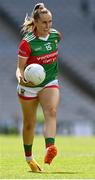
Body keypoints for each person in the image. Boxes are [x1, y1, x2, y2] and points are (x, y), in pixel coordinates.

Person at [16, 3, 61, 172]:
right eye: (44, 23)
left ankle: (50, 148)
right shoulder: (26, 43)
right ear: (35, 22)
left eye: (50, 22)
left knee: (51, 111)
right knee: (29, 123)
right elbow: (20, 68)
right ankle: (29, 159)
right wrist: (21, 78)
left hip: (49, 81)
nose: (48, 26)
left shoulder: (56, 36)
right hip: (29, 86)